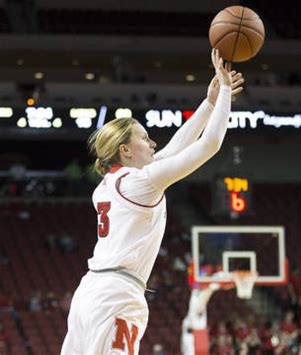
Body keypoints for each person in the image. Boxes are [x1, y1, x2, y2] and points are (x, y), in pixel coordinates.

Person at [60, 48, 244, 355]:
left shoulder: (110, 184)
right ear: (125, 151)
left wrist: (209, 103)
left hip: (91, 293)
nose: (153, 143)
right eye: (145, 138)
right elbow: (209, 145)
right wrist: (225, 92)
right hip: (117, 295)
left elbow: (172, 149)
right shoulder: (138, 183)